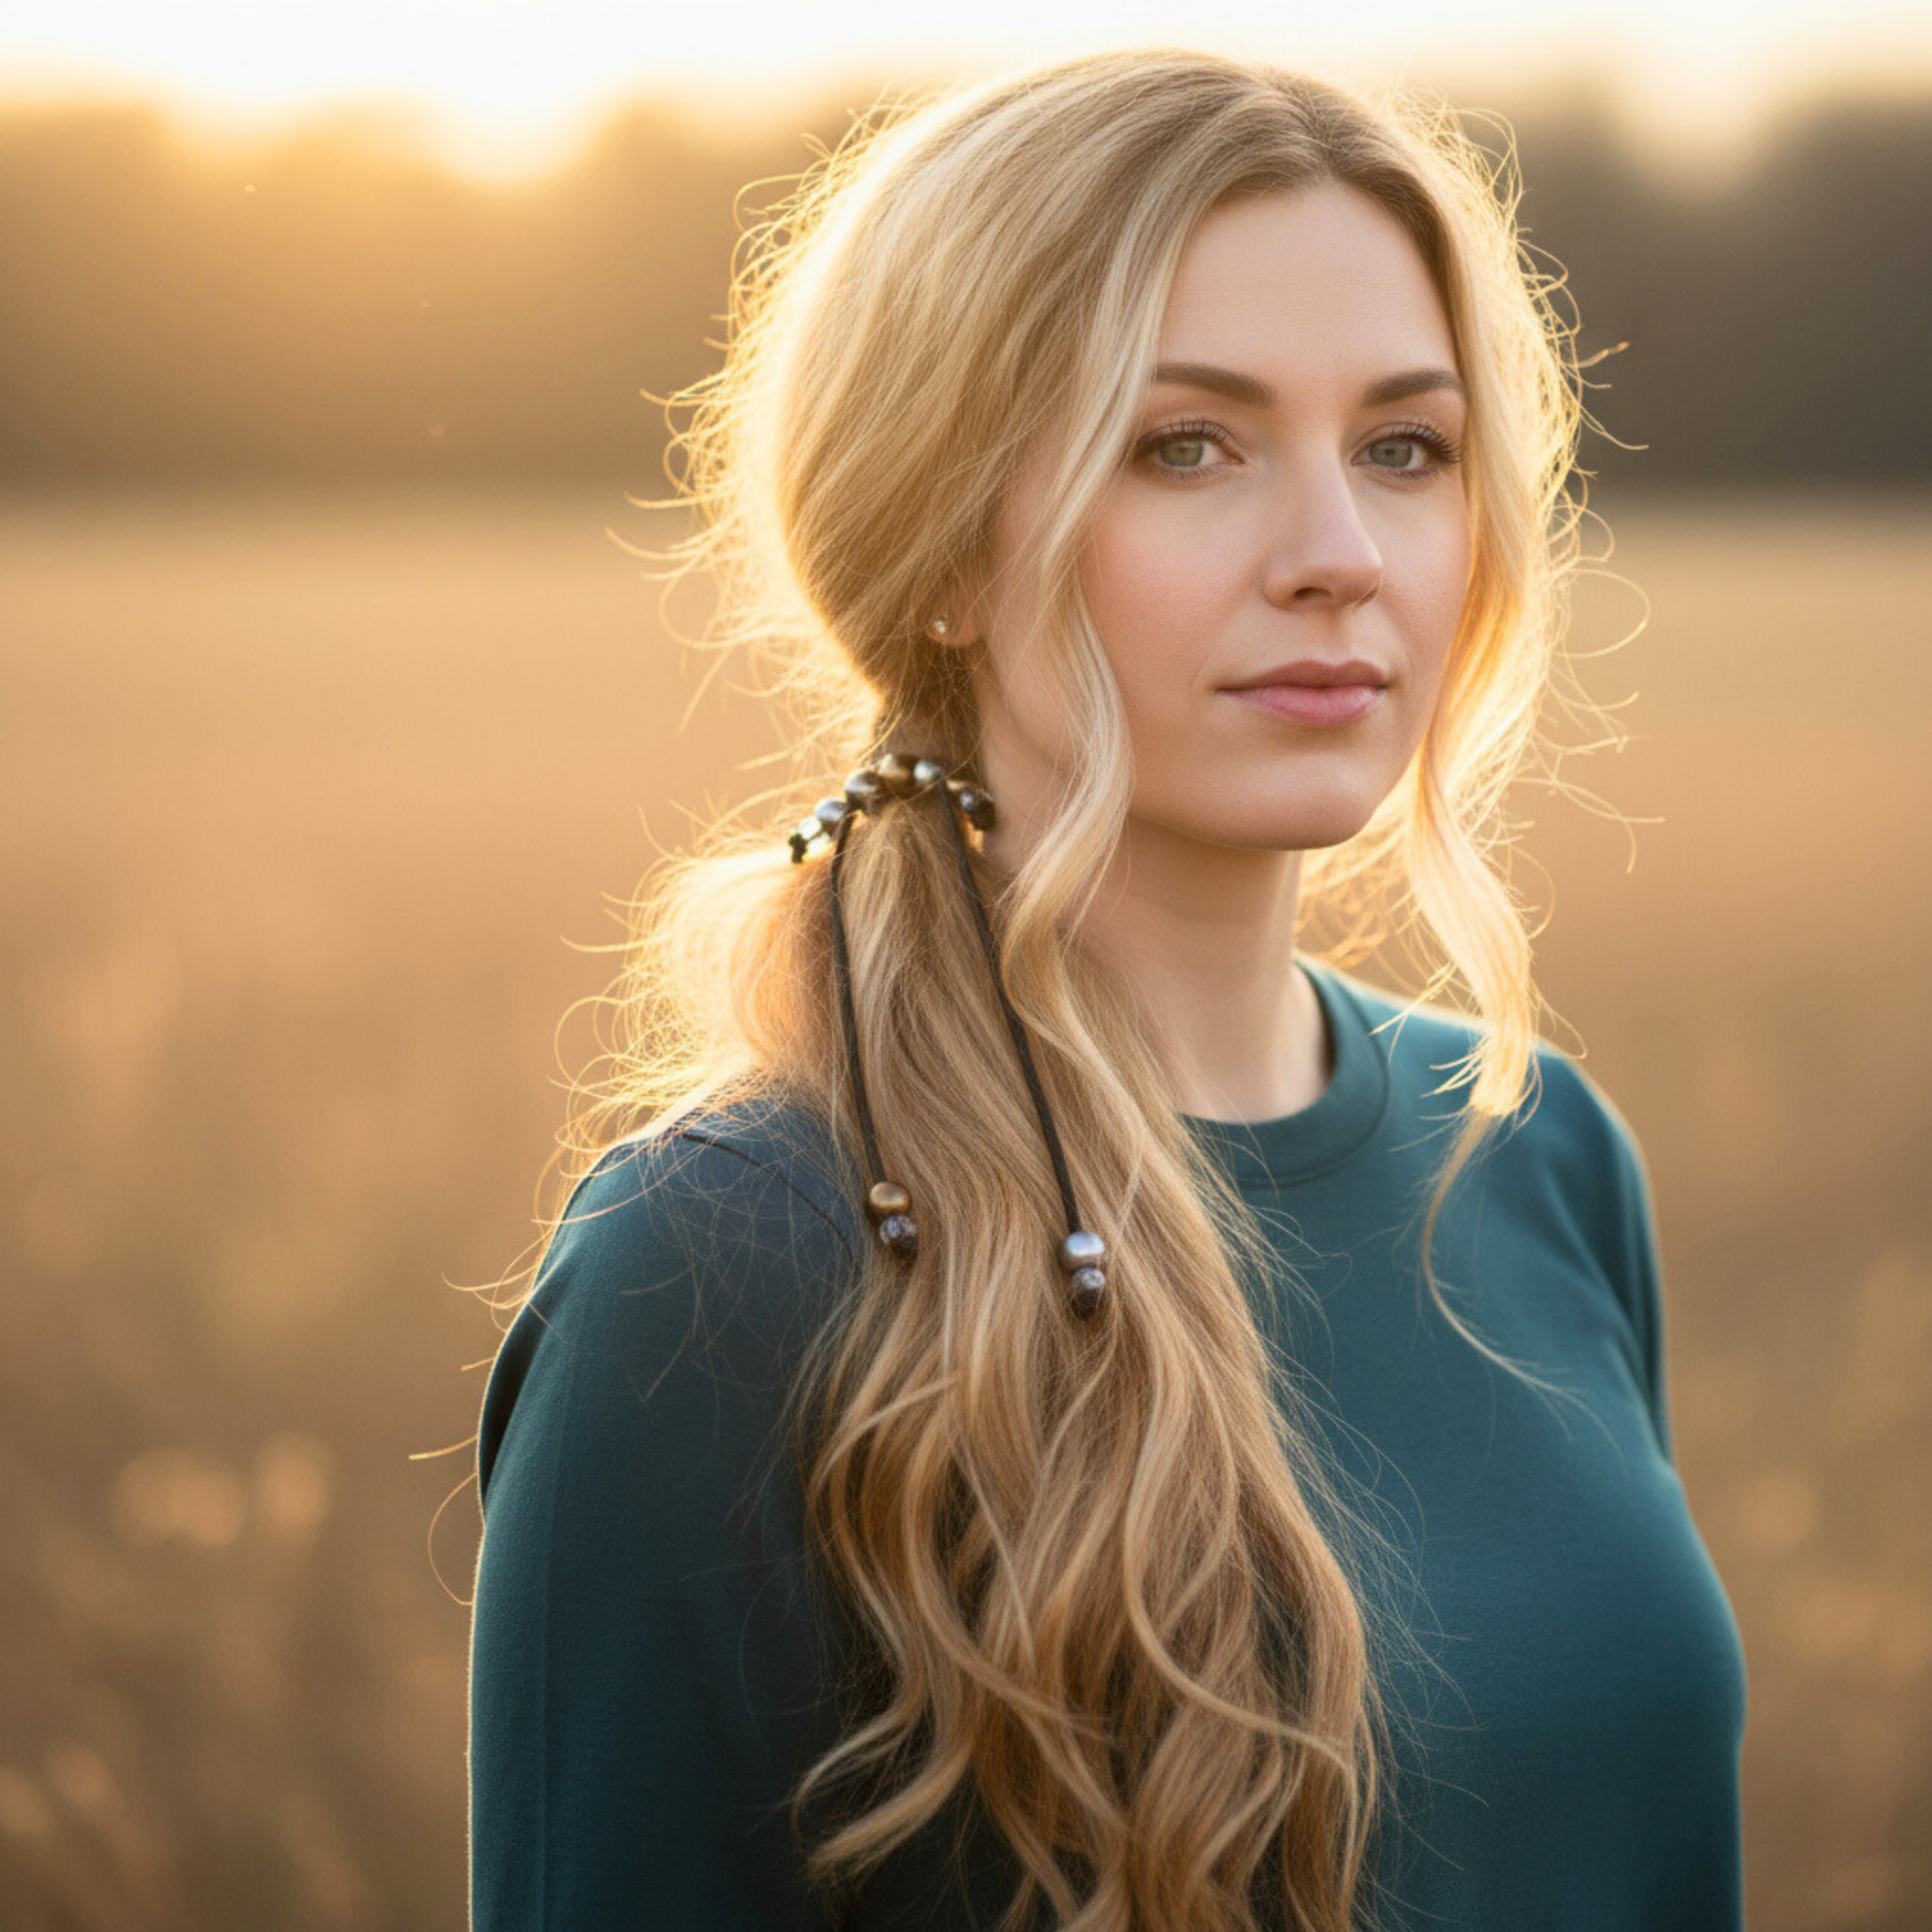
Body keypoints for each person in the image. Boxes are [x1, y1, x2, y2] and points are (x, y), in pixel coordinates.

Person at [466, 47, 1748, 1932]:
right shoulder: (723, 1266)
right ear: (944, 544)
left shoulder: (1536, 1154)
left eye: (1404, 447)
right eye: (1184, 446)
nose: (1338, 557)